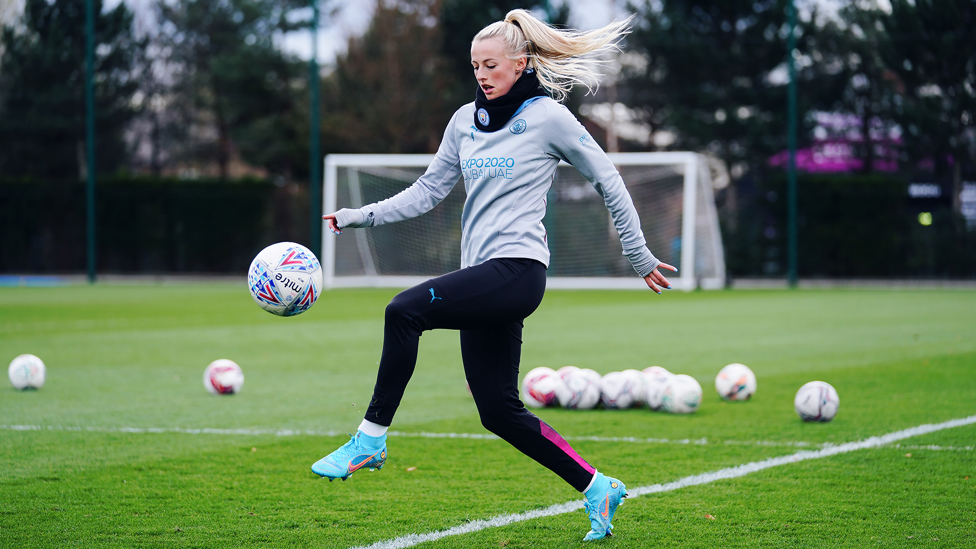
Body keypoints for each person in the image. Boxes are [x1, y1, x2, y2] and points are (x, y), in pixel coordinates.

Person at [312, 9, 675, 541]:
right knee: (499, 412)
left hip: (519, 271)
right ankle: (598, 487)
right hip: (485, 275)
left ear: (522, 63)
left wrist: (638, 254)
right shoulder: (464, 120)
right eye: (476, 66)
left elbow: (609, 180)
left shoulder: (549, 117)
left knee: (402, 311)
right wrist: (358, 215)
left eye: (492, 65)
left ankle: (369, 440)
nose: (482, 74)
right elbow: (428, 193)